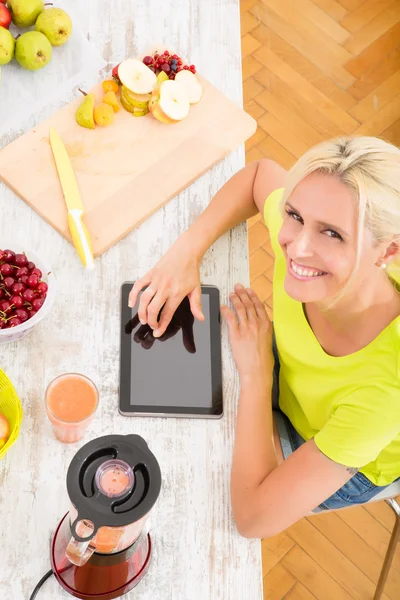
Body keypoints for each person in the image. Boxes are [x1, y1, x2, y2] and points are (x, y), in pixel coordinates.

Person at [129, 136, 400, 538]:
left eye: (333, 235)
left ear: (388, 252)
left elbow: (253, 518)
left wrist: (258, 373)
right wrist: (186, 252)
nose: (296, 246)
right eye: (294, 214)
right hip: (280, 372)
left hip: (339, 452)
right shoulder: (303, 239)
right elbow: (258, 175)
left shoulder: (386, 395)